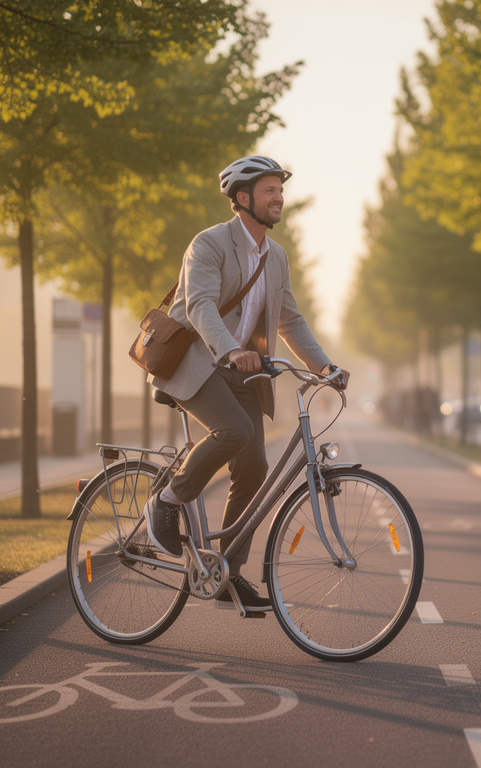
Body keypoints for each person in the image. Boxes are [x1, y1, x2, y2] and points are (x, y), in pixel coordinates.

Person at [141, 155, 345, 613]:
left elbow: (291, 320)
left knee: (253, 465)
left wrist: (325, 367)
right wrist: (231, 350)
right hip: (198, 364)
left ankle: (227, 574)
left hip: (243, 374)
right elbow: (201, 307)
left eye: (280, 189)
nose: (279, 197)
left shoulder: (276, 257)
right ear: (241, 198)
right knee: (235, 432)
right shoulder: (208, 244)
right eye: (269, 190)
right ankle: (167, 499)